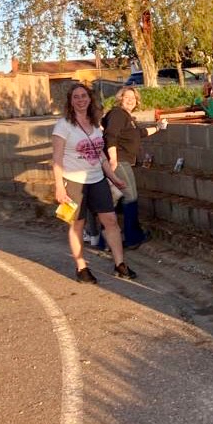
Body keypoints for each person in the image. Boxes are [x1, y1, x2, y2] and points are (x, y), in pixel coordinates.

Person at [52, 83, 137, 283]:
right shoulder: (63, 126)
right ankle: (81, 267)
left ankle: (120, 264)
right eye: (76, 97)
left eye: (84, 96)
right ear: (70, 102)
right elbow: (56, 159)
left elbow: (101, 156)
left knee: (111, 221)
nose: (81, 100)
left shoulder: (95, 124)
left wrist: (114, 178)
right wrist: (58, 186)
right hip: (74, 182)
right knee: (77, 225)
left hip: (97, 179)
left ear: (90, 99)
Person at [102, 86, 168, 248]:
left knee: (120, 198)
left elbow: (139, 133)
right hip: (119, 161)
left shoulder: (127, 117)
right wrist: (113, 159)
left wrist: (158, 127)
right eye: (127, 97)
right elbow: (110, 135)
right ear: (120, 98)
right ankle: (132, 237)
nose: (130, 100)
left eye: (133, 98)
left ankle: (110, 237)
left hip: (124, 161)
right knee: (129, 197)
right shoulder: (117, 114)